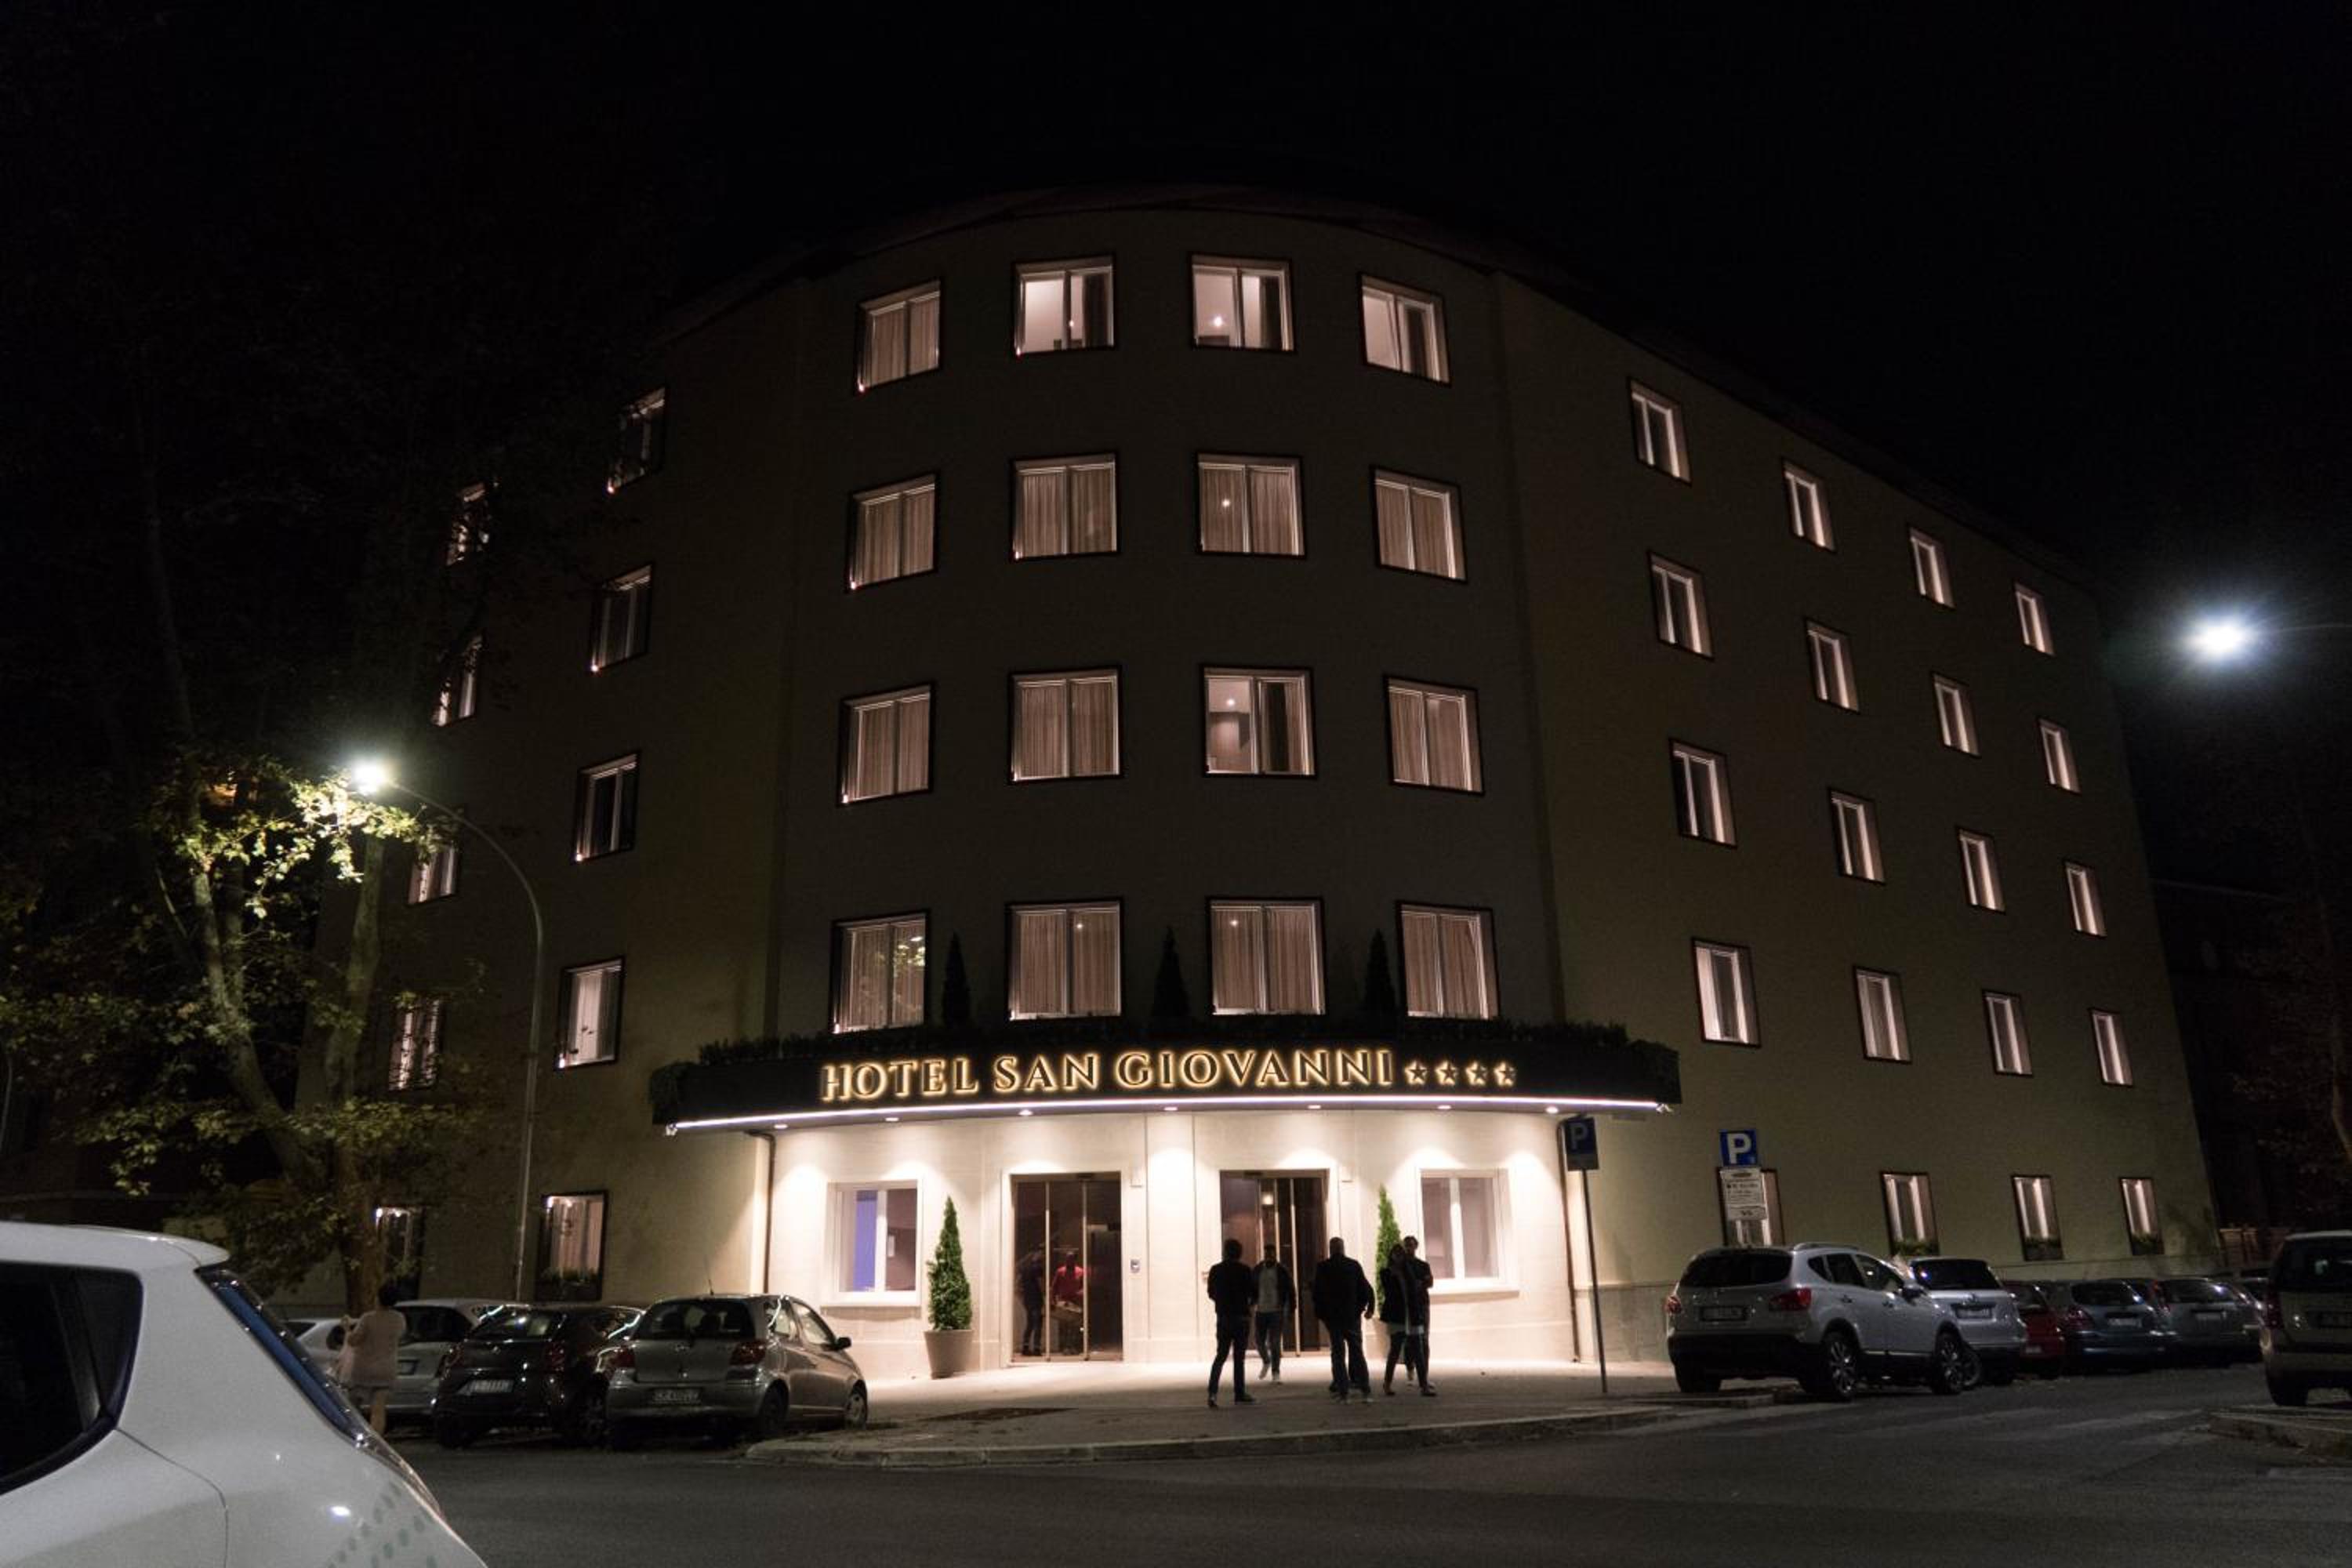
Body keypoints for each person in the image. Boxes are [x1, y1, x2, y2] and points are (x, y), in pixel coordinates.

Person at [1309, 1236, 1375, 1403]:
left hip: (1334, 1318)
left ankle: (1344, 1393)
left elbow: (1317, 1294)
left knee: (1338, 1355)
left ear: (1331, 1249)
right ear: (1343, 1248)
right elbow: (1365, 1290)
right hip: (1351, 1317)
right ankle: (1365, 1390)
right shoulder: (1353, 1265)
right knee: (1357, 1353)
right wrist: (1360, 1309)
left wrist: (1323, 1315)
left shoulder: (1323, 1267)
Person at [337, 1282, 407, 1435]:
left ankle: (352, 1435)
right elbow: (401, 1334)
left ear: (378, 1298)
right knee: (378, 1410)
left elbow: (354, 1341)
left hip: (364, 1369)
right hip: (386, 1370)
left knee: (353, 1407)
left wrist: (347, 1330)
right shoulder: (399, 1319)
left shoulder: (368, 1318)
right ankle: (376, 1439)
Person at [1381, 1235, 1437, 1396]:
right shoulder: (1386, 1273)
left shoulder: (1410, 1270)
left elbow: (1420, 1285)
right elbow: (1390, 1292)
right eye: (1396, 1254)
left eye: (1401, 1254)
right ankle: (1387, 1383)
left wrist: (1411, 1277)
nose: (1399, 1257)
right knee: (1395, 1350)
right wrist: (1398, 1275)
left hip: (1412, 1313)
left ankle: (1424, 1385)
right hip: (1397, 1316)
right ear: (1392, 1256)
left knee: (1418, 1349)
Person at [1205, 1237, 1258, 1407]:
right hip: (1241, 1317)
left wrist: (1221, 1302)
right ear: (1239, 1253)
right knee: (1239, 1358)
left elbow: (1211, 1292)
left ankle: (1213, 1394)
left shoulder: (1216, 1270)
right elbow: (1254, 1293)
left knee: (1220, 1356)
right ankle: (1239, 1393)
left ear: (1225, 1252)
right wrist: (1248, 1305)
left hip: (1224, 1317)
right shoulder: (1245, 1270)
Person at [1251, 1243, 1296, 1381]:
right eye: (1267, 1254)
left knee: (1275, 1342)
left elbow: (1291, 1291)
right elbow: (1251, 1287)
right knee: (1258, 1341)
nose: (1269, 1257)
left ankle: (1276, 1372)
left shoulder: (1282, 1270)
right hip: (1260, 1310)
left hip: (1277, 1311)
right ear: (1264, 1255)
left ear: (1275, 1255)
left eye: (1271, 1254)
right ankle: (1266, 1361)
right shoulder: (1258, 1270)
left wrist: (1291, 1310)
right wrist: (1251, 1303)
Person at [1016, 1250, 1046, 1356]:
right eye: (1042, 1254)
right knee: (1038, 1324)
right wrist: (1045, 1295)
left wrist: (1022, 1296)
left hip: (1028, 1299)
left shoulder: (1024, 1268)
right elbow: (1041, 1284)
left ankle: (1025, 1347)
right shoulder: (1038, 1268)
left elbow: (1018, 1284)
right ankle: (1037, 1348)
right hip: (1036, 1299)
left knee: (1030, 1323)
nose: (1043, 1256)